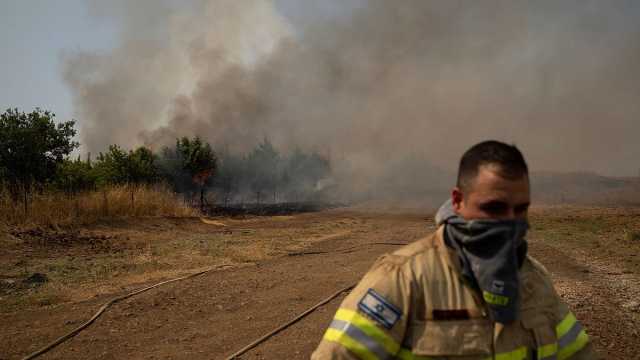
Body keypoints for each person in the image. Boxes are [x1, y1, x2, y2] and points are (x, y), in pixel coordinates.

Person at [312, 140, 596, 359]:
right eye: (494, 208)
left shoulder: (534, 280)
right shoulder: (401, 280)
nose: (510, 223)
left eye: (520, 210)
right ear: (458, 201)